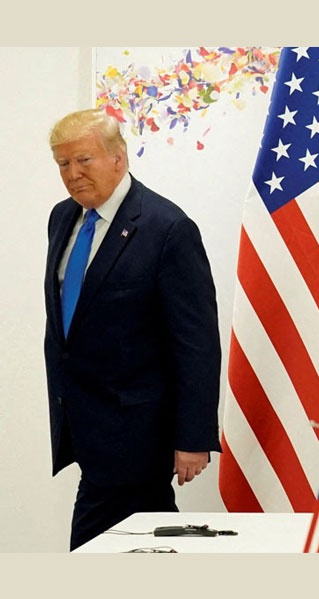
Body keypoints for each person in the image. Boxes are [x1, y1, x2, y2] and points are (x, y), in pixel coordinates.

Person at [43, 109, 222, 550]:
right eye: (63, 164)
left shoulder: (167, 229)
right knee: (143, 544)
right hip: (86, 422)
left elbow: (196, 342)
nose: (73, 174)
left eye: (84, 160)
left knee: (95, 548)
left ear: (119, 158)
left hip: (139, 428)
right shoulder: (62, 218)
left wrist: (193, 437)